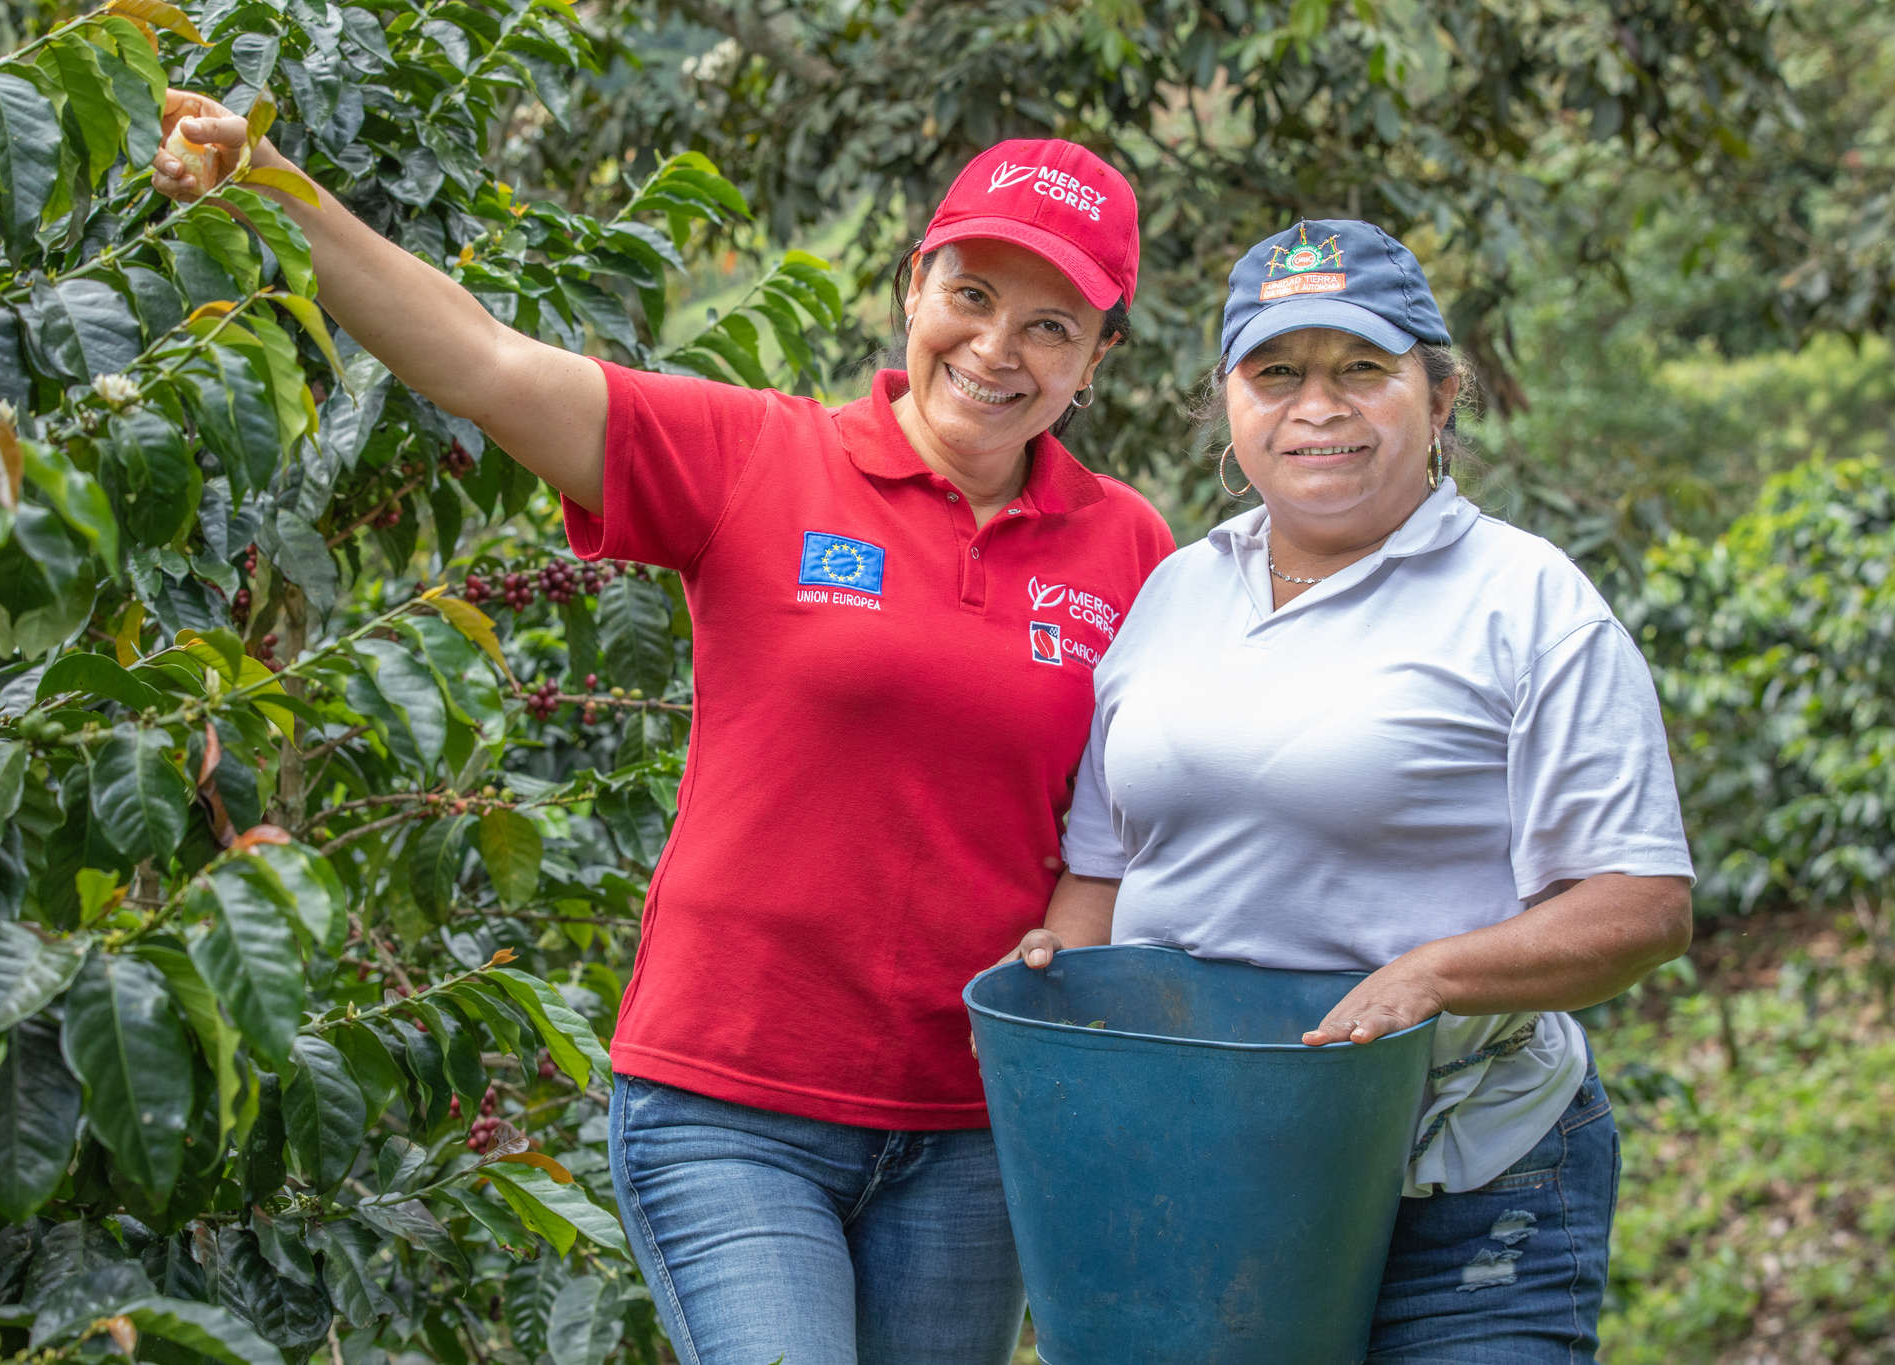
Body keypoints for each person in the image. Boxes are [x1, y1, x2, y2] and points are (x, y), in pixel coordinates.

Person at [154, 98, 1174, 1364]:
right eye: (969, 294)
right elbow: (481, 361)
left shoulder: (1131, 550)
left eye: (1050, 327)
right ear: (912, 285)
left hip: (970, 1129)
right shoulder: (761, 457)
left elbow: (1131, 819)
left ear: (1097, 361)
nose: (995, 348)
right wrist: (271, 185)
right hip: (733, 1103)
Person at [1008, 219, 1694, 1361]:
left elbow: (1640, 905)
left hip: (1459, 1180)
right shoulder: (1176, 592)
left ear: (1438, 393)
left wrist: (1428, 977)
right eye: (1275, 372)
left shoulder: (1524, 600)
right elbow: (1102, 870)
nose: (1315, 406)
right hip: (1201, 1183)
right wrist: (1073, 1039)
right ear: (1227, 403)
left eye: (1360, 370)